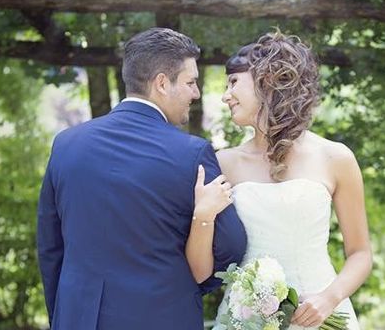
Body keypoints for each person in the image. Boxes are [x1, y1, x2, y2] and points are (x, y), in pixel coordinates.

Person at [37, 27, 247, 330]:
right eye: (190, 82)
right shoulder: (191, 153)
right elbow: (231, 245)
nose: (196, 93)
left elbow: (50, 248)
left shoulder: (66, 144)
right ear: (162, 83)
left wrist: (65, 316)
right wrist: (185, 286)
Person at [189, 30, 372, 329]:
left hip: (321, 315)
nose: (225, 96)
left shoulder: (335, 158)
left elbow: (361, 253)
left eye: (234, 82)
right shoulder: (223, 163)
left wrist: (329, 298)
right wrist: (203, 214)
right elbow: (199, 271)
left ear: (269, 79)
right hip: (245, 321)